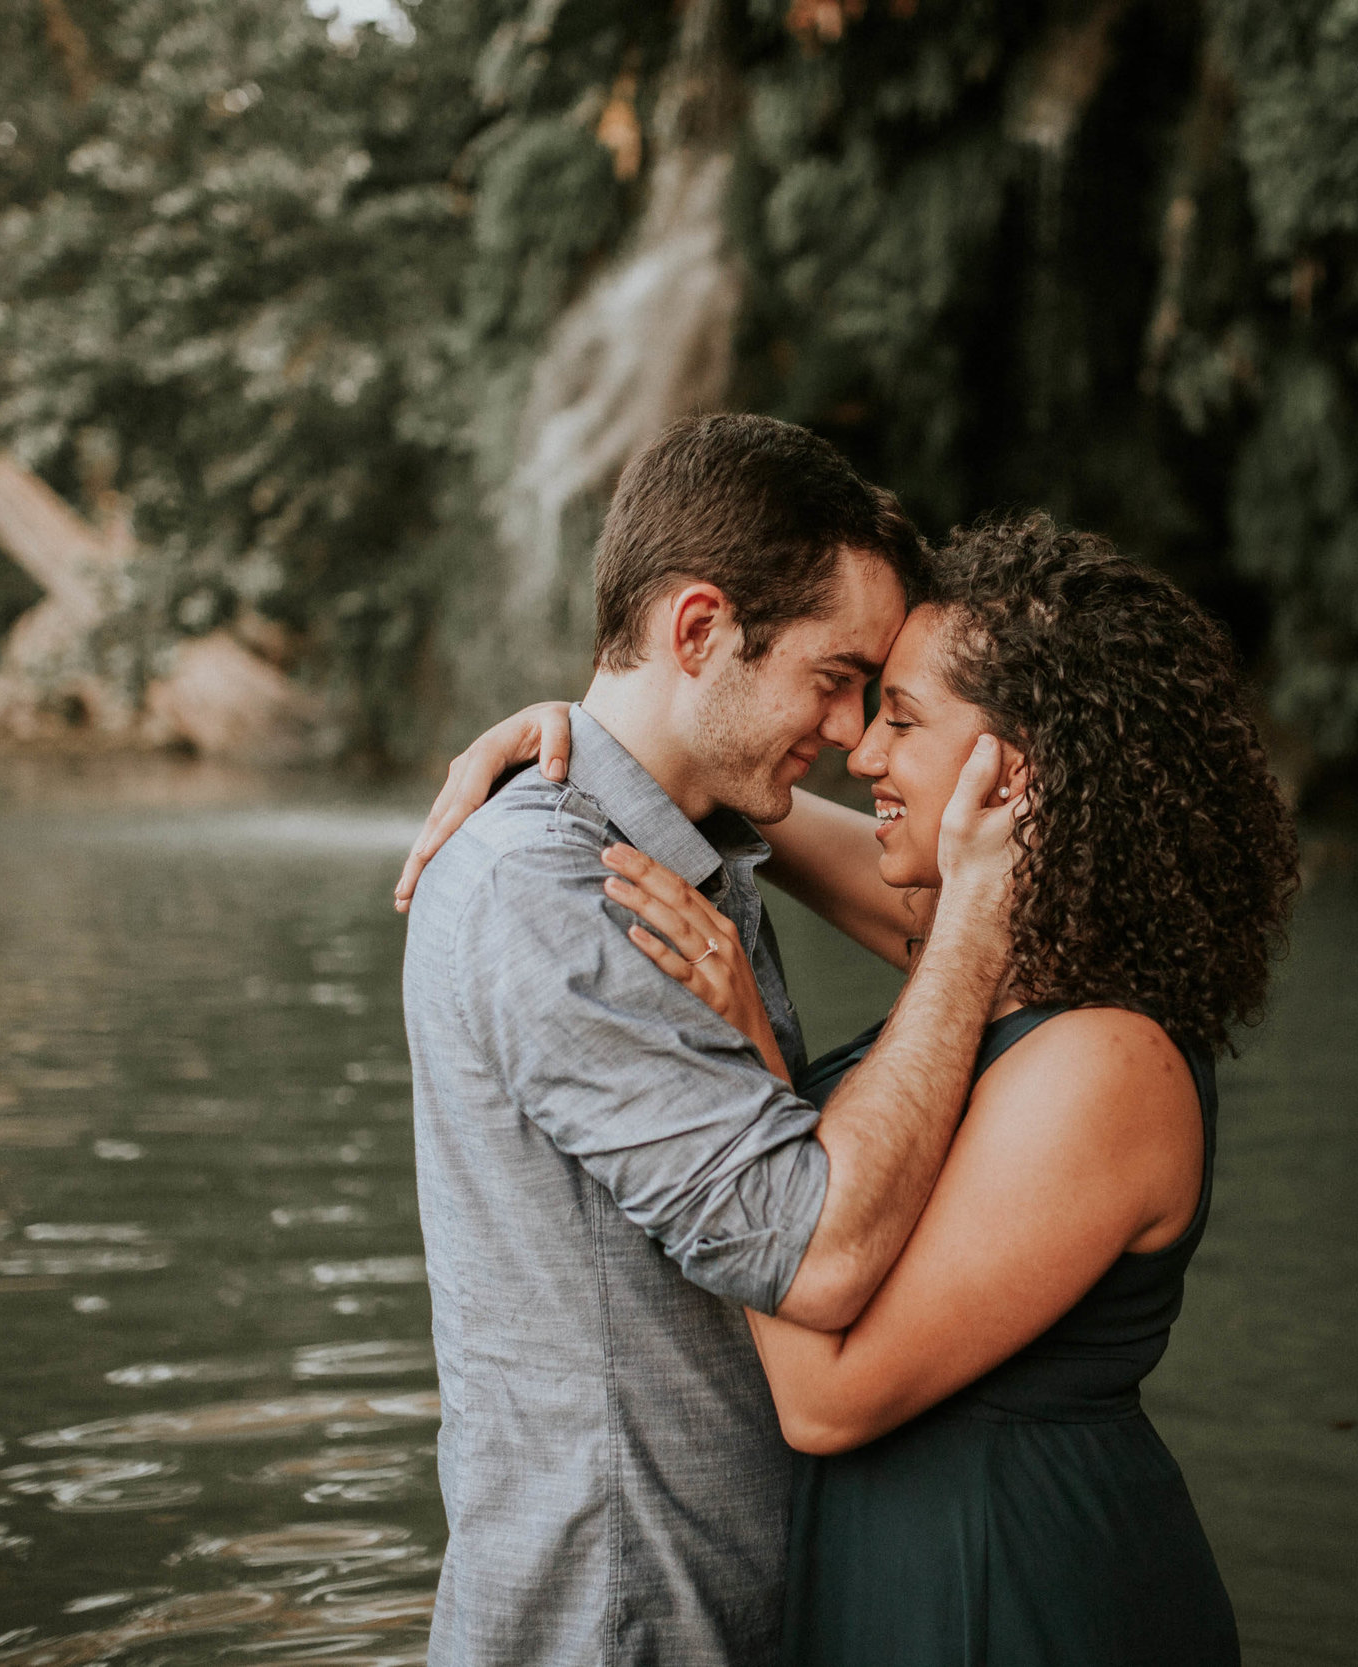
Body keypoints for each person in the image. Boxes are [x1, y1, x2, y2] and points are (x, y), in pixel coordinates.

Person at [406, 515, 1300, 1666]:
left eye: (902, 717)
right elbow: (758, 816)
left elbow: (824, 1397)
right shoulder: (996, 953)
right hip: (889, 1561)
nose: (861, 749)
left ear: (1011, 770)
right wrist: (601, 739)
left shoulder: (1105, 1060)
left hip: (1007, 1580)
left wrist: (757, 1061)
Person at [398, 413, 1026, 1667]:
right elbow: (820, 1258)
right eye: (834, 677)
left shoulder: (688, 849)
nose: (852, 734)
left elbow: (965, 910)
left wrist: (607, 742)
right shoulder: (556, 894)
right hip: (618, 1617)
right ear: (699, 631)